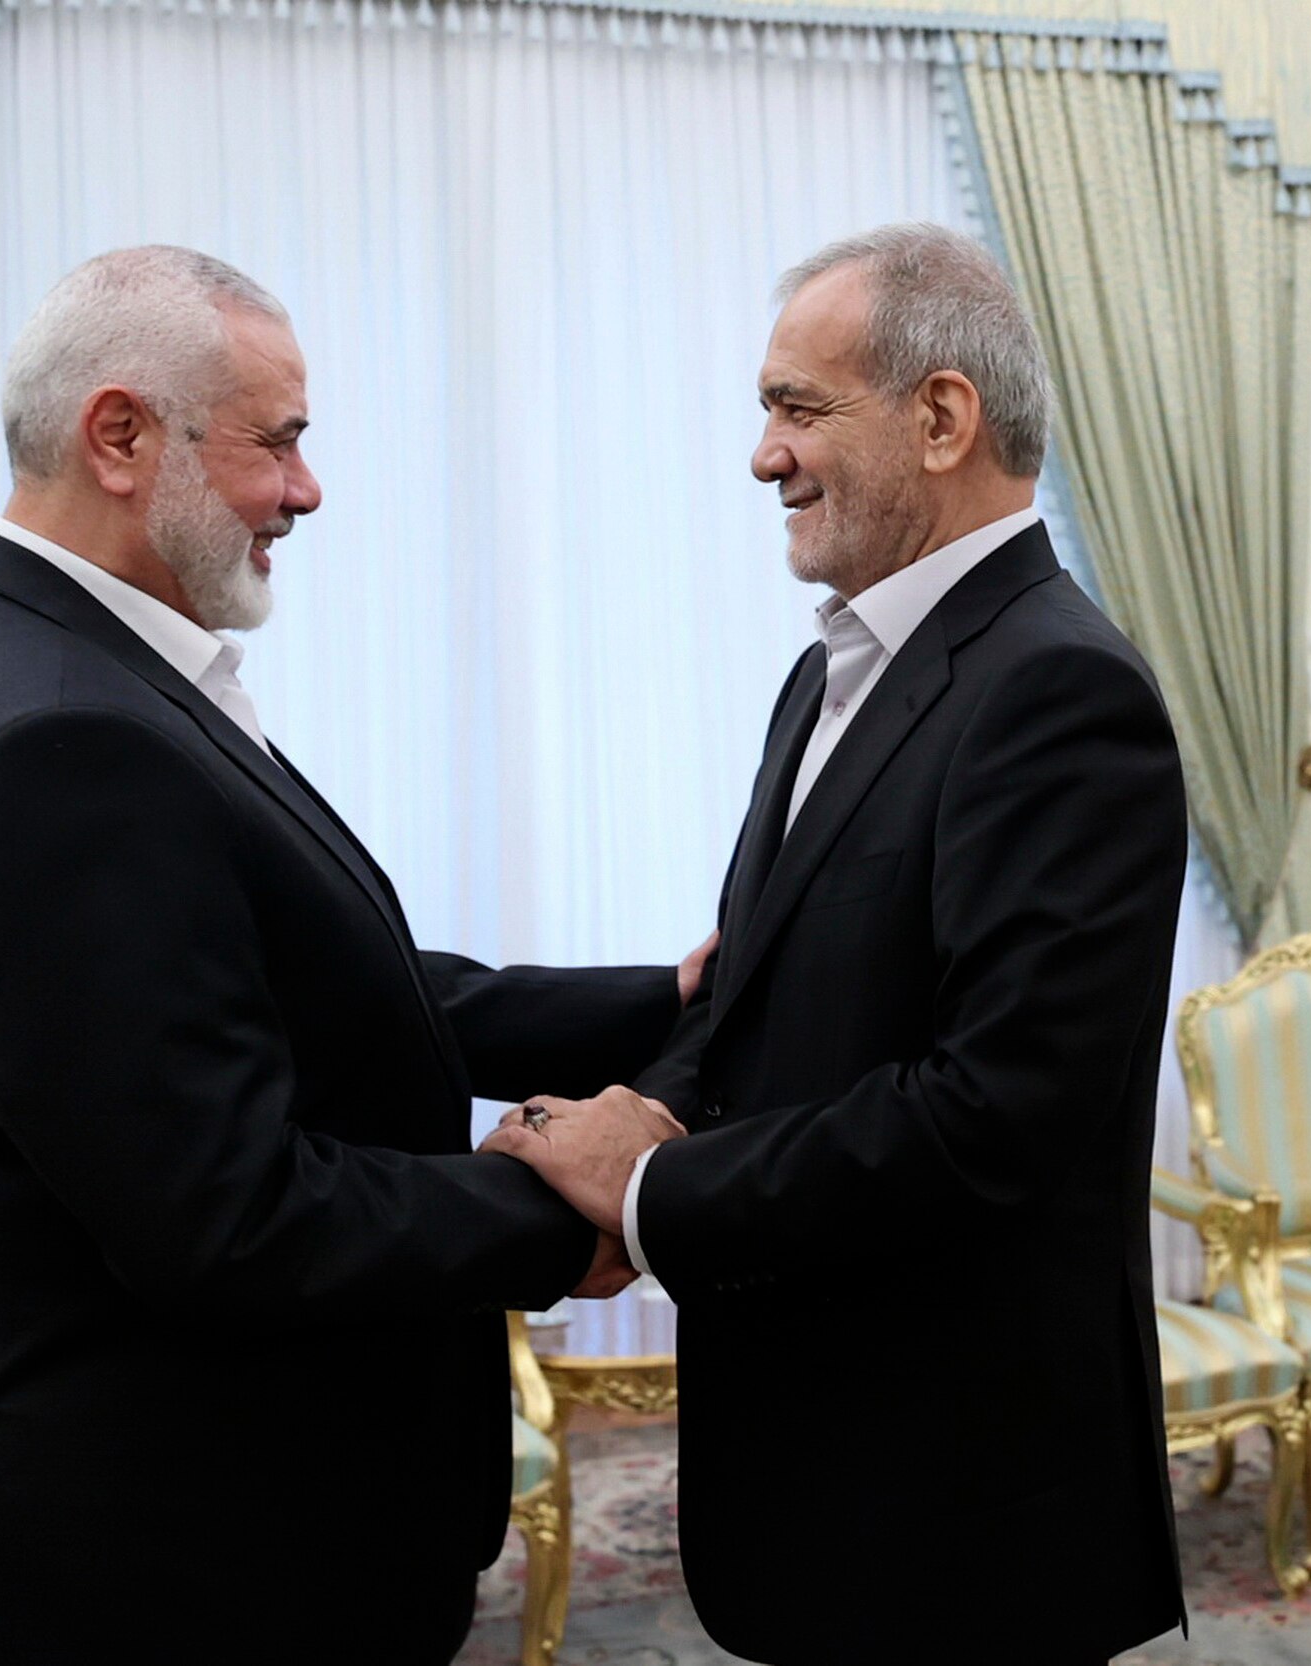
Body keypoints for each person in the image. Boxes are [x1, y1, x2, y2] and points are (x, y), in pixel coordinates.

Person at [0, 246, 701, 1665]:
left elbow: (309, 988)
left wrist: (658, 999)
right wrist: (578, 1208)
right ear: (121, 436)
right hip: (142, 1552)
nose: (306, 487)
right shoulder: (62, 738)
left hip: (159, 1503)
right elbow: (225, 1211)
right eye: (277, 441)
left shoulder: (18, 639)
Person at [486, 223, 1190, 1663]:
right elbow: (749, 986)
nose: (764, 455)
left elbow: (999, 1114)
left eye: (799, 410)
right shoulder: (827, 676)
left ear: (942, 418)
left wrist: (657, 1191)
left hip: (961, 1499)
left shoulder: (1063, 690)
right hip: (815, 1456)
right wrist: (651, 1110)